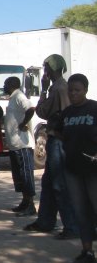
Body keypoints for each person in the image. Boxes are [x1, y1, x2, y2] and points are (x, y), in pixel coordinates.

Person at [23, 54, 79, 239]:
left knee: (58, 185)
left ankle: (70, 227)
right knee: (48, 183)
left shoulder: (58, 89)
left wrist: (44, 91)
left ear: (51, 69)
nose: (44, 71)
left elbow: (42, 111)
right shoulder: (61, 87)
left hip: (58, 141)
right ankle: (45, 221)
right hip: (57, 140)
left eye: (45, 68)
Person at [59, 74, 97, 263]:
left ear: (86, 90)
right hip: (72, 169)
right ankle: (87, 251)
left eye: (77, 90)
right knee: (81, 211)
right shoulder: (67, 113)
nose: (73, 94)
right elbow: (58, 133)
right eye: (71, 90)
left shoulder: (94, 108)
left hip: (93, 169)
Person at [3, 77, 36, 216]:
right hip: (15, 144)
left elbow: (30, 109)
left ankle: (31, 205)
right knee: (19, 176)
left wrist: (23, 124)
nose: (4, 86)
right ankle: (25, 202)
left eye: (5, 83)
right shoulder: (12, 98)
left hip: (23, 144)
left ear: (12, 84)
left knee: (26, 174)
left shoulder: (19, 96)